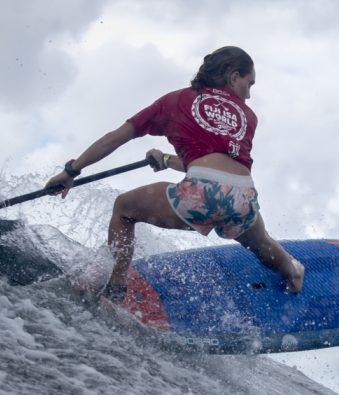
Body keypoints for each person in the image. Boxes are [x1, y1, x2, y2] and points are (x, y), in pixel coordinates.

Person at [45, 46, 304, 302]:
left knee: (124, 208)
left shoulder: (175, 100)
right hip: (243, 195)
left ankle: (116, 288)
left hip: (202, 193)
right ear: (234, 77)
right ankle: (293, 270)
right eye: (250, 84)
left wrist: (71, 170)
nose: (248, 95)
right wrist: (167, 160)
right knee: (261, 243)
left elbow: (114, 139)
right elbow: (217, 167)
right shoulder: (248, 116)